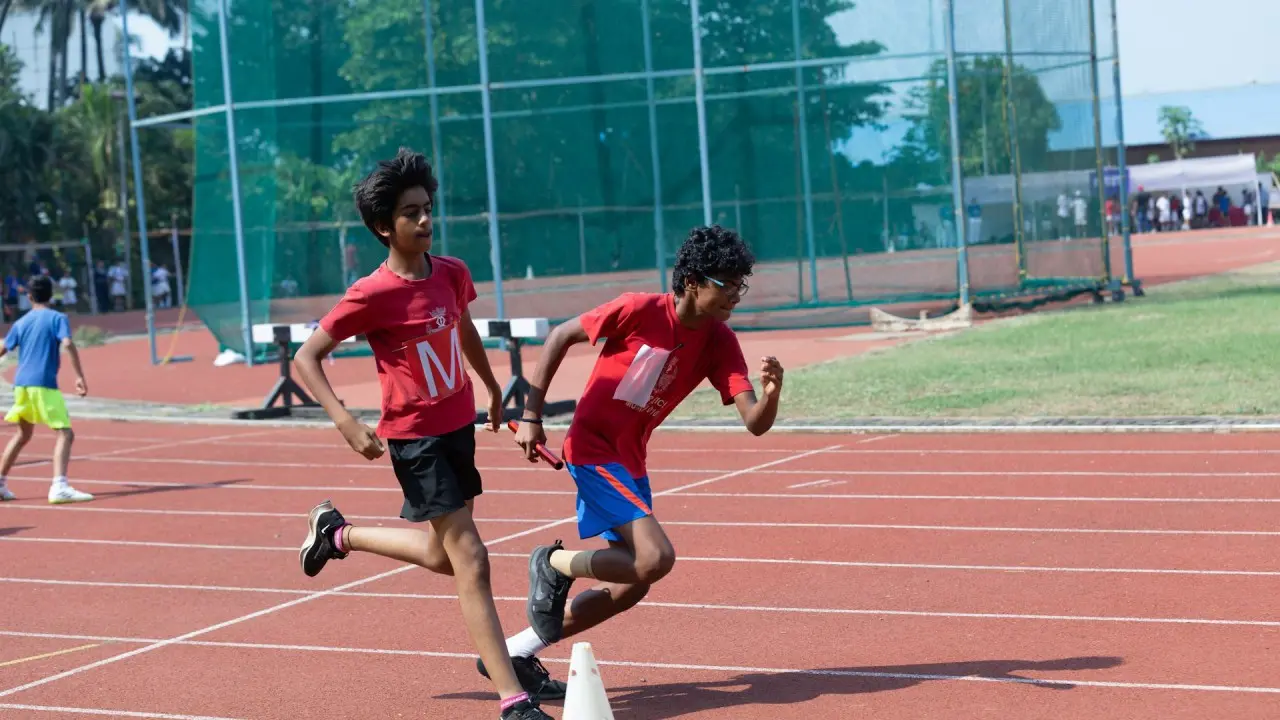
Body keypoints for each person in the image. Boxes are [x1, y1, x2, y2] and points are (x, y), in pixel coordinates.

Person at [291, 148, 556, 720]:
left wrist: (489, 387)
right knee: (473, 559)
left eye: (428, 208)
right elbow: (307, 357)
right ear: (384, 226)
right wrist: (345, 421)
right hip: (415, 440)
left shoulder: (453, 273)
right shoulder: (372, 293)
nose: (425, 221)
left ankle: (340, 535)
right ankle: (512, 698)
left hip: (458, 425)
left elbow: (463, 329)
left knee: (445, 556)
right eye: (411, 213)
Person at [482, 225, 785, 694]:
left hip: (630, 460)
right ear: (692, 282)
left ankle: (515, 652)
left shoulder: (720, 341)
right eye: (727, 284)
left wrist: (770, 394)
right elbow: (561, 335)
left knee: (633, 582)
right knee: (655, 557)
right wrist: (531, 416)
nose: (737, 297)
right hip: (591, 447)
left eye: (740, 284)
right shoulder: (638, 310)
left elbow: (755, 421)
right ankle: (555, 563)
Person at [0, 275, 92, 504]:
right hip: (43, 384)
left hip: (20, 384)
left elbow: (3, 348)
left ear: (29, 296)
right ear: (52, 295)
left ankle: (0, 482)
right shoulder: (57, 318)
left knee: (23, 434)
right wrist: (79, 376)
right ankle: (59, 485)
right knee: (65, 433)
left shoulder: (21, 322)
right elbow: (68, 343)